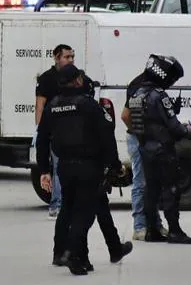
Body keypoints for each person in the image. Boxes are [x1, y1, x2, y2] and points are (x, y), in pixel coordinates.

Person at [36, 64, 125, 275]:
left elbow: (42, 139)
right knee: (84, 213)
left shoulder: (53, 106)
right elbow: (106, 137)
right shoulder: (89, 105)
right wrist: (114, 165)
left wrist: (44, 169)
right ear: (77, 80)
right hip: (88, 166)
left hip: (64, 166)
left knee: (67, 207)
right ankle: (73, 254)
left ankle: (68, 253)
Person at [128, 54, 191, 244]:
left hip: (145, 149)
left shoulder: (137, 94)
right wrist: (190, 131)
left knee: (151, 190)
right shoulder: (159, 95)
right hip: (162, 150)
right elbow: (175, 127)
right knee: (171, 189)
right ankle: (175, 231)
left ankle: (152, 230)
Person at [121, 72, 167, 241]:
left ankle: (154, 224)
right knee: (141, 183)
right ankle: (140, 226)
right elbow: (125, 116)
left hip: (145, 138)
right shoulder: (139, 86)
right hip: (139, 138)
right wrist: (140, 133)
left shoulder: (147, 84)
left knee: (151, 184)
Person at [35, 44, 75, 219]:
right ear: (56, 57)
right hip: (54, 130)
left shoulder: (75, 76)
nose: (70, 60)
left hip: (73, 129)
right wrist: (40, 130)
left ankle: (67, 203)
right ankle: (57, 205)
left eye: (72, 56)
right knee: (59, 167)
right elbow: (40, 105)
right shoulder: (47, 78)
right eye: (67, 57)